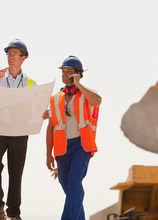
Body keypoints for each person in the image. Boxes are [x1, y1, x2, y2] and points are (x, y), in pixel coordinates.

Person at [0, 39, 36, 220]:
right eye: (9, 54)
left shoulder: (30, 83)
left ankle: (14, 213)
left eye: (15, 54)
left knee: (16, 173)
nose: (10, 57)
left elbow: (35, 108)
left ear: (23, 58)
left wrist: (42, 114)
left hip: (19, 134)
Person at [45, 55, 102, 220]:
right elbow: (51, 128)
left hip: (81, 146)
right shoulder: (55, 99)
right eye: (63, 71)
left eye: (69, 71)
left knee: (74, 182)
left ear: (78, 74)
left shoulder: (88, 93)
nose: (65, 74)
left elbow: (97, 101)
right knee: (70, 189)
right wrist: (48, 153)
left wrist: (78, 84)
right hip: (62, 149)